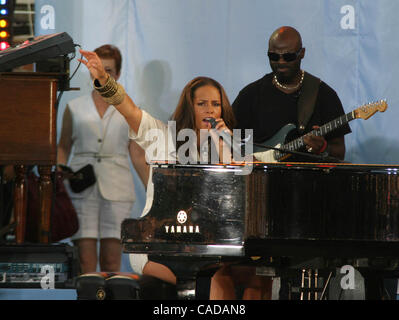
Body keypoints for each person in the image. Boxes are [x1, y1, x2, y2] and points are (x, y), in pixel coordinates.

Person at [78, 49, 269, 299]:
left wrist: (224, 144)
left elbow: (244, 185)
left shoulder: (227, 143)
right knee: (216, 280)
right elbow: (129, 110)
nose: (209, 110)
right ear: (190, 107)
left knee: (259, 277)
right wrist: (104, 79)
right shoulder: (162, 136)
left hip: (209, 244)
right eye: (202, 104)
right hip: (160, 243)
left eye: (215, 104)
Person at [57, 44, 149, 274]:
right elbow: (63, 146)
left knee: (111, 262)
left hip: (118, 186)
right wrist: (59, 177)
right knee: (85, 263)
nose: (102, 74)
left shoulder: (129, 109)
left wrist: (154, 189)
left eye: (109, 70)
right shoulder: (74, 107)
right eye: (99, 68)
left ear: (117, 74)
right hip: (80, 185)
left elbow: (137, 153)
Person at [232, 26, 351, 162]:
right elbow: (233, 142)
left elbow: (339, 153)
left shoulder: (324, 95)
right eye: (274, 56)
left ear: (302, 53)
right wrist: (250, 160)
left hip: (310, 180)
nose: (281, 62)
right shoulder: (251, 95)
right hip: (262, 180)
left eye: (288, 56)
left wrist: (323, 148)